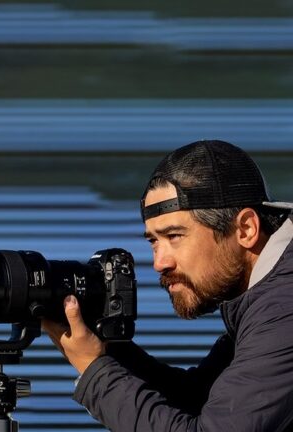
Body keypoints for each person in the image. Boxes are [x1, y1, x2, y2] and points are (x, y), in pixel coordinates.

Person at [43, 140, 293, 431]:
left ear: (246, 229)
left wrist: (95, 371)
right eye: (153, 241)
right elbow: (197, 399)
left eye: (174, 236)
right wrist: (107, 349)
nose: (159, 263)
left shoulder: (283, 309)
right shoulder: (265, 298)